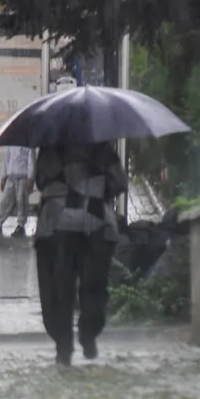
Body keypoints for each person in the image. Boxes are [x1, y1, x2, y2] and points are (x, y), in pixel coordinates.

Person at [33, 142, 127, 366]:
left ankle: (63, 345)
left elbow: (40, 181)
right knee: (94, 286)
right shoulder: (104, 150)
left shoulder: (50, 149)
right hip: (96, 225)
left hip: (56, 226)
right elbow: (119, 183)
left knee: (58, 289)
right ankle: (89, 334)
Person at [0, 146, 35, 238]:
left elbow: (31, 162)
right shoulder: (11, 146)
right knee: (5, 201)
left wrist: (30, 178)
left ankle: (21, 225)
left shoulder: (28, 146)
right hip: (11, 176)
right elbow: (6, 161)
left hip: (23, 177)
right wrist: (4, 177)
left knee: (22, 201)